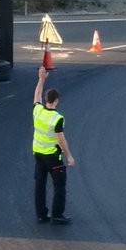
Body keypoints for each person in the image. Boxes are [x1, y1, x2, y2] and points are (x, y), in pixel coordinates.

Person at [32, 65, 75, 225]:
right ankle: (57, 215)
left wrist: (41, 79)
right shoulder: (57, 118)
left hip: (38, 154)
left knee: (40, 185)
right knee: (59, 185)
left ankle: (41, 215)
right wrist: (69, 156)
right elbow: (60, 139)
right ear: (56, 100)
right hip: (53, 157)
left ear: (45, 99)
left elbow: (35, 96)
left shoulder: (38, 111)